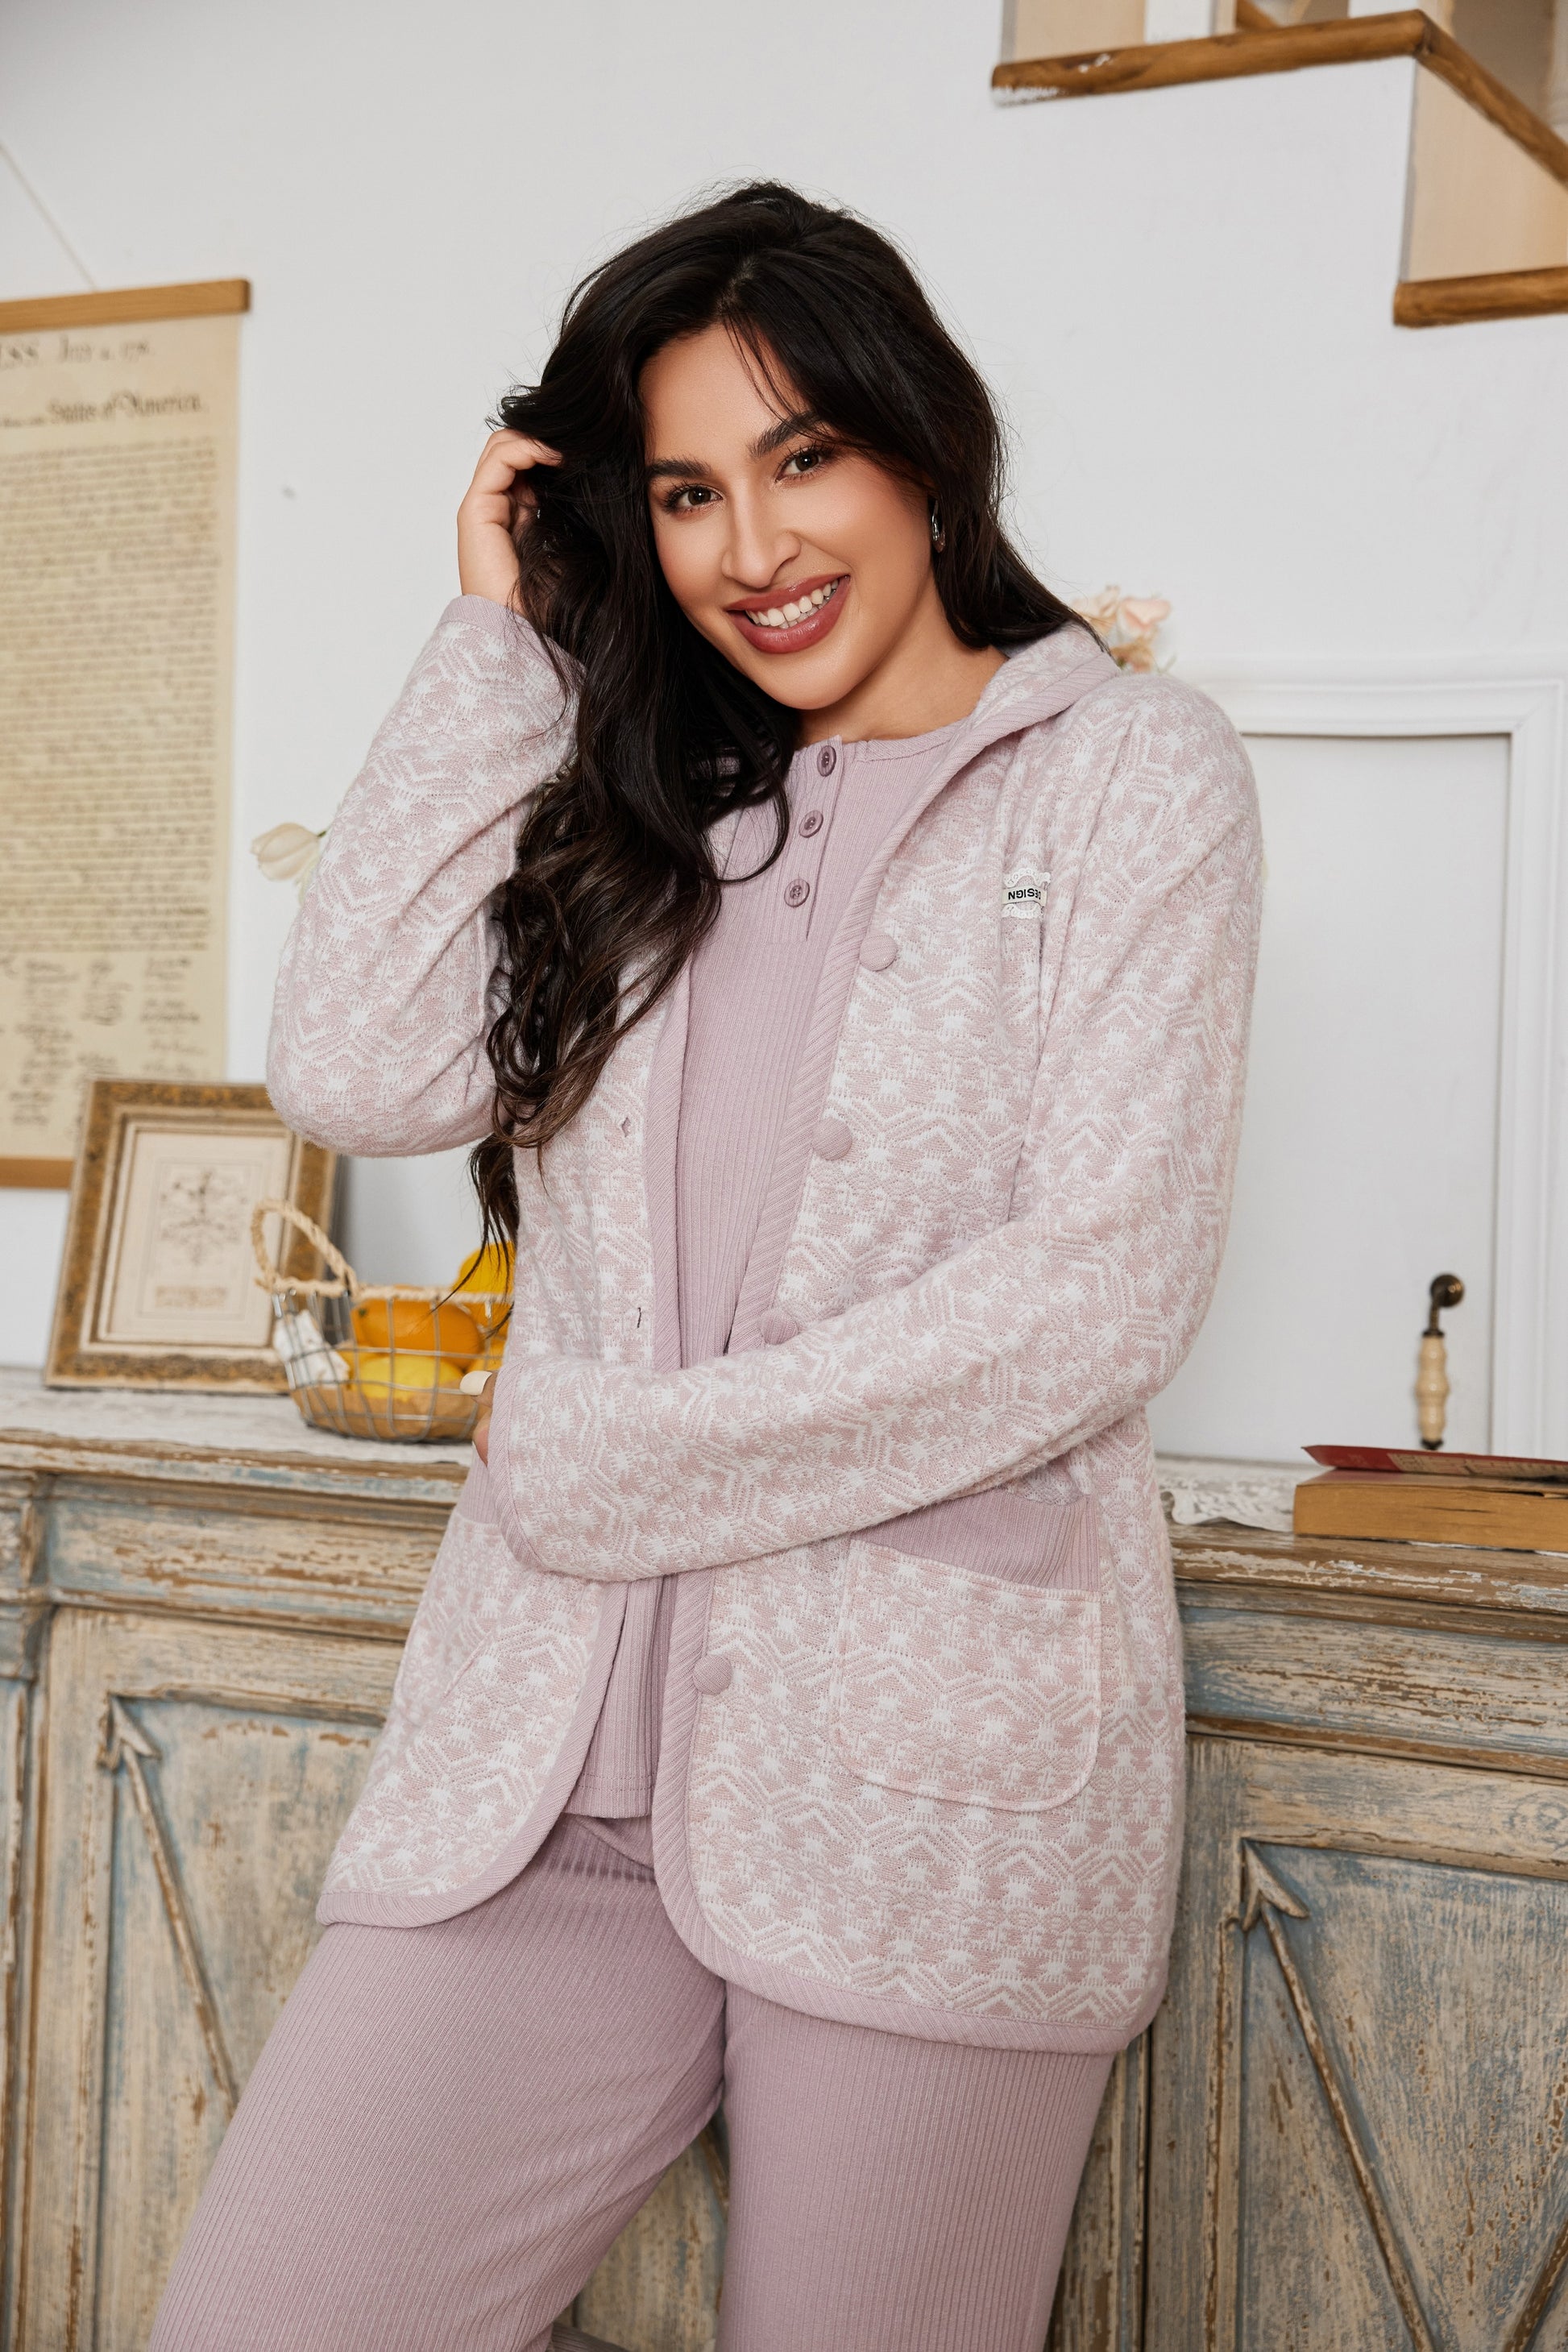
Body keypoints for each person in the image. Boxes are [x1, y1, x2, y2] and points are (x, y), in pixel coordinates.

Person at [151, 181, 1261, 2352]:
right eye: (682, 492)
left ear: (924, 446)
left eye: (801, 456)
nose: (752, 545)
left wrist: (612, 1462)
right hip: (535, 1784)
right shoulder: (645, 797)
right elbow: (356, 1065)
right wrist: (500, 640)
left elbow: (1102, 1289)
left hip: (926, 1793)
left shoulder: (1134, 776)